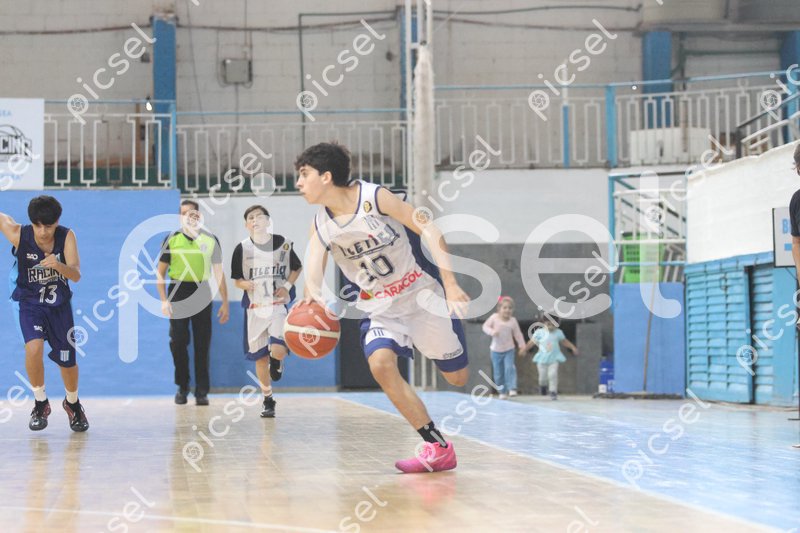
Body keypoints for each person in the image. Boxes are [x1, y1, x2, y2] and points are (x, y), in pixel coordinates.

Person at [295, 142, 470, 473]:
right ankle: (438, 446)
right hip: (381, 308)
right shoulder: (320, 226)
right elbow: (313, 274)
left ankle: (447, 337)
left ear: (326, 176)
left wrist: (450, 283)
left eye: (304, 174)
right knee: (380, 365)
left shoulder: (375, 197)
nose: (299, 183)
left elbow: (430, 229)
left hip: (423, 296)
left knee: (458, 377)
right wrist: (311, 304)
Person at [0, 196, 89, 431]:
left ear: (56, 222)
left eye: (48, 226)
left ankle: (73, 404)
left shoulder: (66, 236)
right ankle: (40, 403)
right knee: (33, 348)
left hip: (59, 307)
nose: (42, 232)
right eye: (37, 226)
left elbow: (76, 275)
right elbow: (3, 219)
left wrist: (58, 265)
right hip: (30, 304)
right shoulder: (20, 235)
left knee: (67, 362)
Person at [230, 205, 302, 418]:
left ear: (268, 221)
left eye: (259, 217)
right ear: (246, 224)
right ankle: (268, 399)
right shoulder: (242, 249)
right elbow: (237, 280)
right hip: (254, 309)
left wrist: (287, 287)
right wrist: (245, 284)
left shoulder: (284, 244)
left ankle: (277, 360)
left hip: (277, 305)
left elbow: (297, 267)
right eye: (251, 218)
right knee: (260, 359)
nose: (255, 220)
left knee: (277, 350)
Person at [157, 199, 229, 406]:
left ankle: (201, 392)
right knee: (178, 341)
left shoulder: (211, 239)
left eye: (192, 213)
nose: (188, 216)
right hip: (178, 291)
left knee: (202, 343)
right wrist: (163, 300)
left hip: (202, 291)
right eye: (184, 213)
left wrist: (225, 302)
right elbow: (160, 273)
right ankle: (182, 387)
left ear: (199, 216)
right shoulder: (171, 239)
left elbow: (219, 273)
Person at [523, 314, 579, 400]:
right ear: (543, 323)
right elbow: (532, 342)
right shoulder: (539, 332)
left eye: (553, 325)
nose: (551, 326)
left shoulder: (558, 333)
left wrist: (573, 347)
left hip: (554, 358)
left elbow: (564, 341)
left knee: (553, 375)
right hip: (542, 359)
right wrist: (525, 349)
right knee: (542, 377)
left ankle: (553, 391)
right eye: (548, 324)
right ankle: (543, 386)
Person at [481, 296, 526, 399]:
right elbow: (485, 327)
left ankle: (512, 388)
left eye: (510, 308)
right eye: (504, 308)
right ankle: (502, 391)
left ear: (513, 310)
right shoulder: (494, 318)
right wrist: (492, 332)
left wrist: (522, 346)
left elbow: (518, 334)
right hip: (496, 351)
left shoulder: (513, 321)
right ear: (499, 309)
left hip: (509, 349)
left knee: (509, 368)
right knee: (498, 373)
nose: (507, 310)